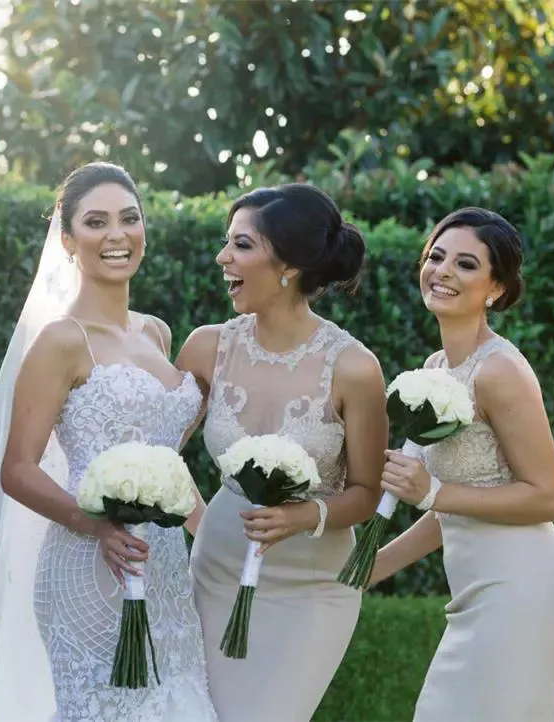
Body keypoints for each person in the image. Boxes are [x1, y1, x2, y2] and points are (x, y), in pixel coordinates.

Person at [0, 162, 216, 721]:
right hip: (90, 563)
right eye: (96, 222)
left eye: (129, 219)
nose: (116, 235)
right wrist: (97, 526)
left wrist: (215, 535)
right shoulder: (61, 341)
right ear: (67, 240)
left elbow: (167, 455)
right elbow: (16, 469)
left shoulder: (157, 332)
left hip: (165, 567)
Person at [178, 183, 388, 721]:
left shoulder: (353, 367)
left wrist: (305, 515)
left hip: (313, 586)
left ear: (288, 265)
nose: (224, 257)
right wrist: (201, 522)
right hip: (215, 570)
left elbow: (366, 492)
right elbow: (160, 457)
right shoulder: (206, 347)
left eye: (242, 245)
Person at [370, 207, 554, 722]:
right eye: (436, 257)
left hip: (523, 590)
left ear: (496, 288)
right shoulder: (436, 369)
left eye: (465, 264)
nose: (442, 271)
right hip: (475, 593)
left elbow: (548, 497)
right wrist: (370, 568)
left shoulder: (499, 370)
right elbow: (456, 509)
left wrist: (433, 491)